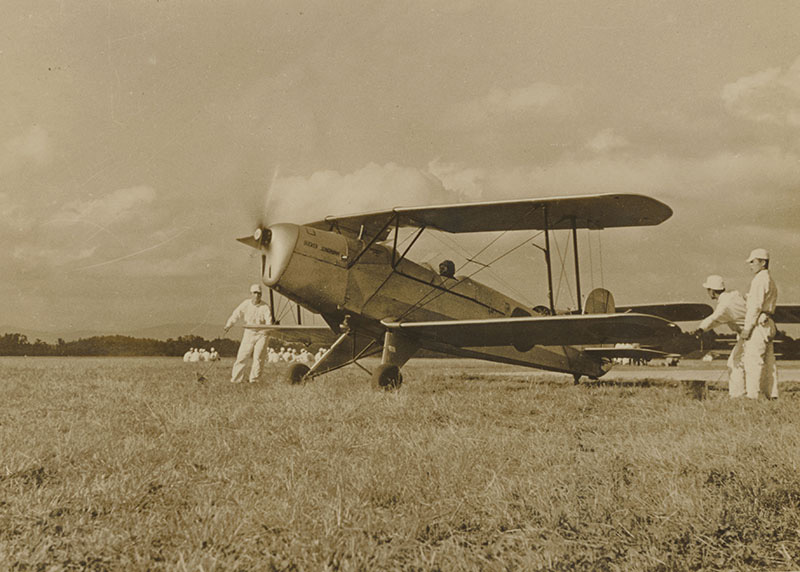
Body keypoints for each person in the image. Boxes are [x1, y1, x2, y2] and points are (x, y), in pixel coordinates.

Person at [692, 275, 747, 397]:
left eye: (708, 290)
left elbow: (714, 318)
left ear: (711, 290)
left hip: (749, 335)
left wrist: (700, 329)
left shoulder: (724, 305)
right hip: (748, 334)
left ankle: (738, 395)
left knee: (734, 363)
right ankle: (745, 394)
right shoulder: (733, 295)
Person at [741, 248, 779, 399]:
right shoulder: (769, 279)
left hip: (758, 323)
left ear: (762, 263)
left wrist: (747, 328)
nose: (751, 265)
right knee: (769, 362)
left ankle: (752, 395)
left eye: (753, 261)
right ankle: (772, 394)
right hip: (768, 322)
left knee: (753, 360)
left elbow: (755, 307)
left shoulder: (759, 280)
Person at [224, 284, 273, 383]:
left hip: (262, 334)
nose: (257, 295)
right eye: (255, 293)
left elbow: (269, 320)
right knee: (242, 356)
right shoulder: (245, 304)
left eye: (259, 293)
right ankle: (236, 380)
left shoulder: (265, 307)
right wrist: (228, 325)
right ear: (251, 293)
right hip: (249, 333)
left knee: (259, 358)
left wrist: (268, 330)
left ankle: (254, 380)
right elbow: (236, 315)